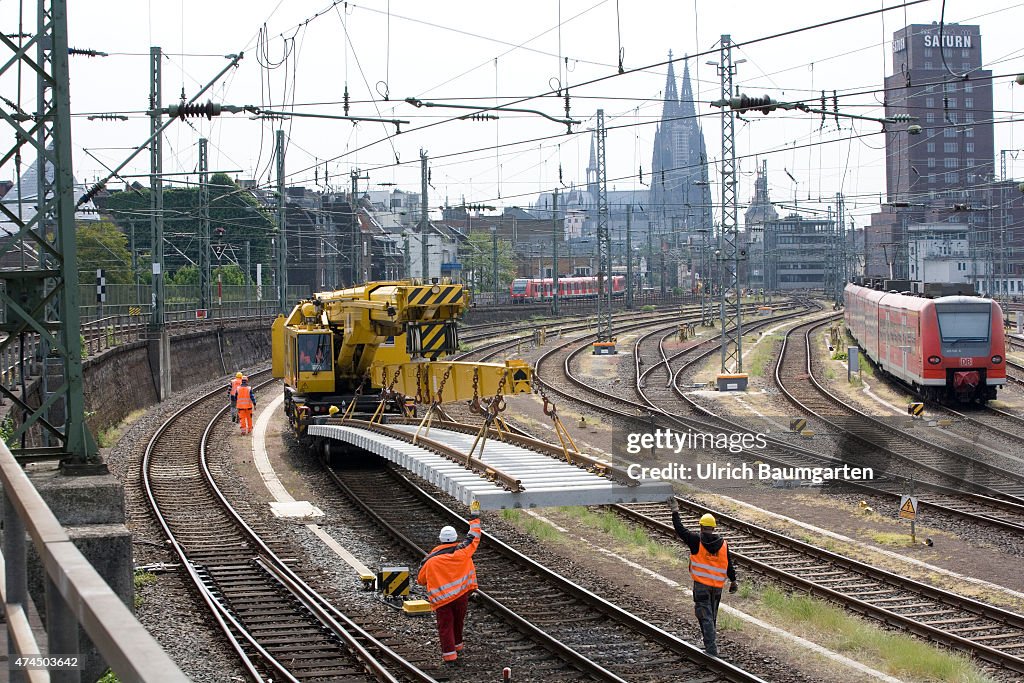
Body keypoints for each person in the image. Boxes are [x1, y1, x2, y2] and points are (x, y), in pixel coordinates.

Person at [668, 497, 737, 657]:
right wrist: (733, 581)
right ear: (713, 528)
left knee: (704, 615)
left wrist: (675, 511)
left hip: (701, 587)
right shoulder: (723, 544)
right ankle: (710, 644)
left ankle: (711, 650)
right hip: (717, 588)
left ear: (701, 527)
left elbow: (680, 529)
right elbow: (729, 565)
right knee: (711, 616)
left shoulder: (696, 541)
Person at [416, 501, 481, 665]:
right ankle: (458, 646)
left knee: (445, 626)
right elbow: (474, 537)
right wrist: (474, 516)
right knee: (459, 622)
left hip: (443, 601)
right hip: (461, 596)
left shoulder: (431, 561)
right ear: (454, 539)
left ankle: (450, 656)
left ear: (440, 540)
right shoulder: (463, 552)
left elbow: (421, 580)